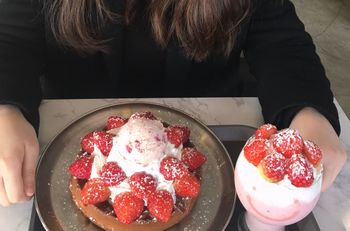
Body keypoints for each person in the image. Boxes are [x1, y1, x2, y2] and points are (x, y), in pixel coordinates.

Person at [0, 0, 347, 207]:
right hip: (69, 130)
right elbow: (10, 35)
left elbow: (279, 39)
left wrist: (308, 110)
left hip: (210, 138)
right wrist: (7, 106)